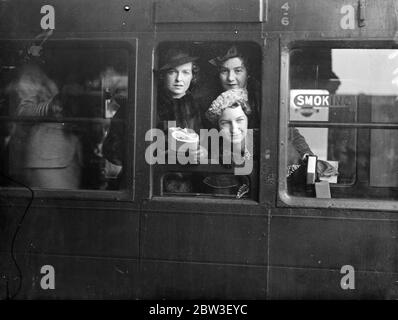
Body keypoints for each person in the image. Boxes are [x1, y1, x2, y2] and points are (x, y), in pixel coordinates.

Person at [209, 45, 337, 179]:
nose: (230, 78)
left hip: (267, 167)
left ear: (248, 73)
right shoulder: (209, 100)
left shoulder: (265, 96)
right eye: (224, 71)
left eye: (238, 71)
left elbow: (289, 132)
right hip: (230, 169)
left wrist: (308, 158)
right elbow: (210, 140)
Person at [8, 65, 82, 189]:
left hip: (71, 155)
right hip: (49, 161)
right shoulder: (32, 74)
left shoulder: (75, 69)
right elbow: (23, 112)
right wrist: (49, 107)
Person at [203, 88, 252, 198]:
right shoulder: (215, 151)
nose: (233, 129)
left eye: (239, 120)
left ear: (248, 119)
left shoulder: (262, 146)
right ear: (218, 126)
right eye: (225, 123)